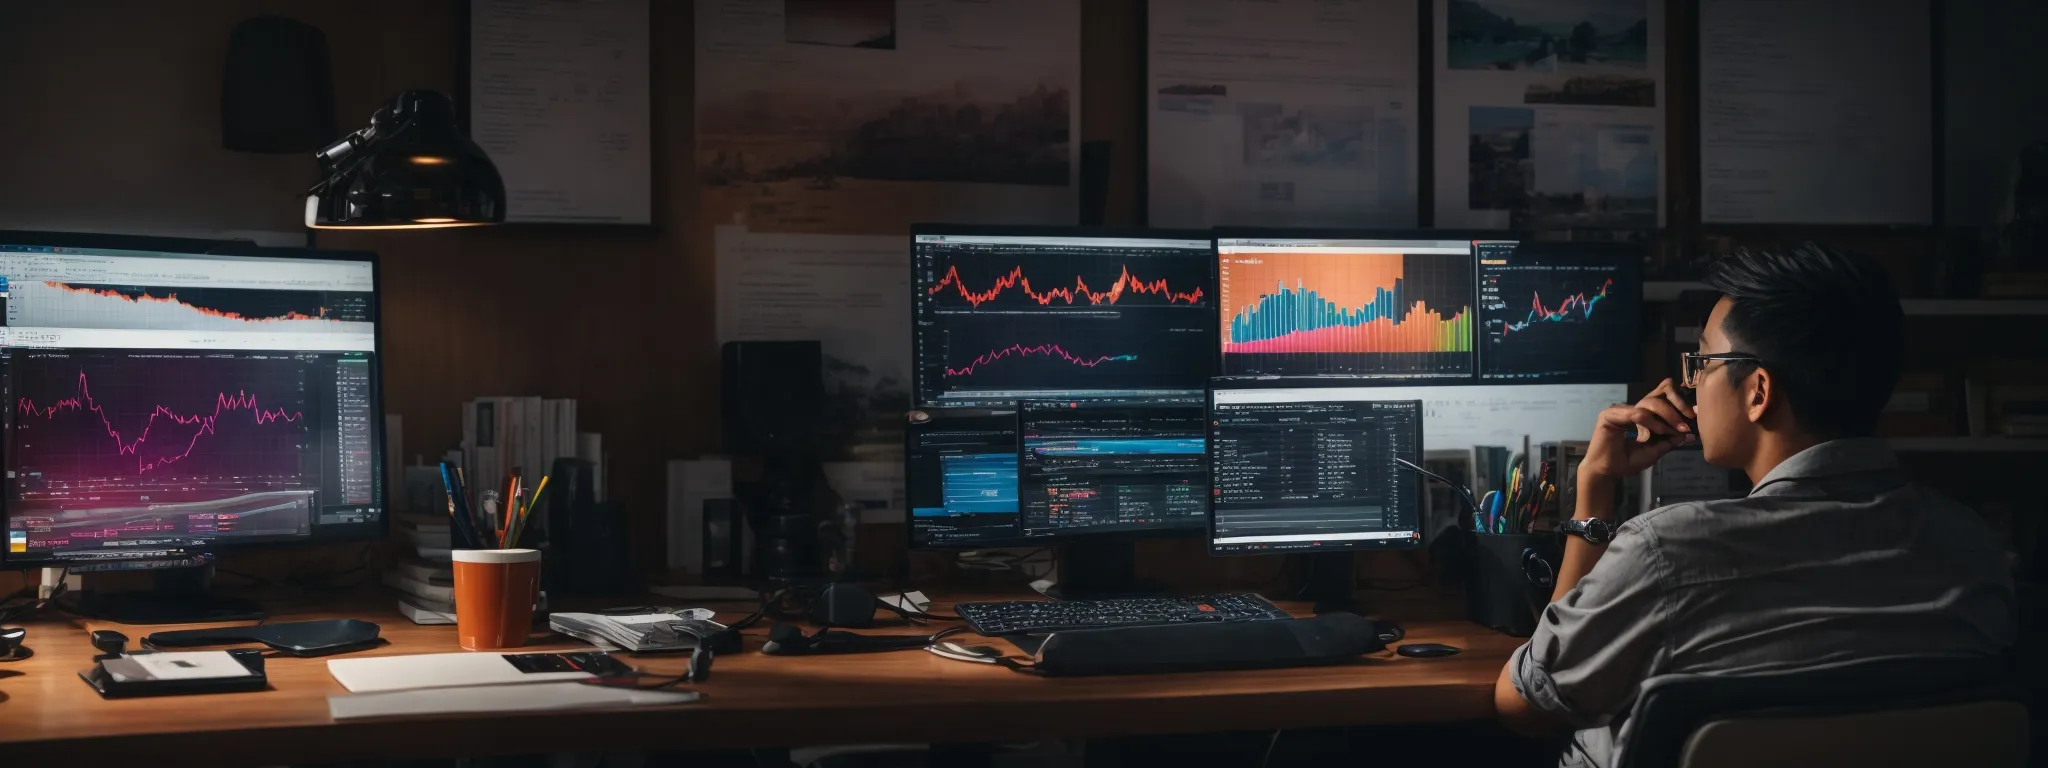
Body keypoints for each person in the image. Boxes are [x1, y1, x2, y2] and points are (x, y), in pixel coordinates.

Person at [1492, 244, 2017, 767]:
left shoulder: (1664, 554)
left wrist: (1595, 487)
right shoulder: (1975, 549)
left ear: (1758, 391)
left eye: (1702, 362)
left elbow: (1530, 704)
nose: (1689, 385)